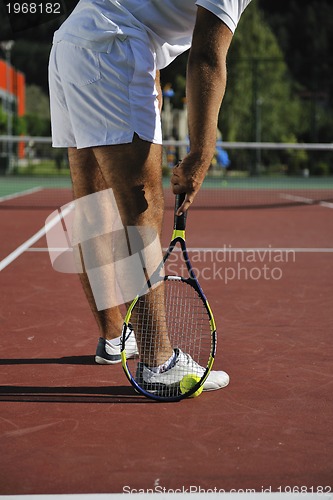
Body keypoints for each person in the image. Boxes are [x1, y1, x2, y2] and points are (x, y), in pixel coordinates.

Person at [48, 0, 252, 392]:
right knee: (139, 209)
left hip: (72, 42)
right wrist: (201, 153)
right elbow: (207, 58)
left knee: (91, 206)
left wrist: (150, 73)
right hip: (114, 46)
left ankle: (114, 339)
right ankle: (158, 362)